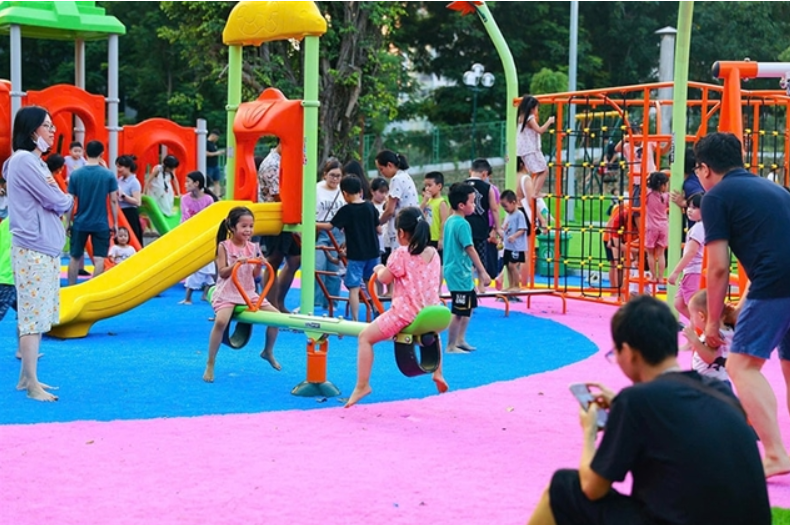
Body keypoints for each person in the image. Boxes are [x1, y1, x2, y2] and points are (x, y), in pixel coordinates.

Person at [527, 295, 771, 525]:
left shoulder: (636, 401)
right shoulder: (721, 393)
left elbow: (592, 488)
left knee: (562, 488)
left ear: (630, 353)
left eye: (615, 353)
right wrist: (625, 406)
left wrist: (590, 431)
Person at [696, 131, 790, 478]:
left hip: (776, 281)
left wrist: (711, 324)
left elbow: (718, 266)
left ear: (704, 169)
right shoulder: (776, 189)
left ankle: (776, 453)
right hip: (778, 279)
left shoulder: (716, 197)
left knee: (741, 366)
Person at [344, 207, 447, 408]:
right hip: (430, 315)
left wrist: (379, 268)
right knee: (434, 334)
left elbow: (384, 279)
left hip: (405, 315)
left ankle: (362, 385)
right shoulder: (433, 253)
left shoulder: (401, 253)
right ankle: (438, 372)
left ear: (401, 233)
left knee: (365, 338)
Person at [4, 106, 74, 401]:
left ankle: (26, 379)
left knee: (37, 315)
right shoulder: (24, 161)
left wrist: (62, 199)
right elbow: (56, 199)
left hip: (40, 248)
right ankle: (32, 383)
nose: (52, 131)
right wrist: (66, 198)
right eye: (47, 126)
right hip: (34, 248)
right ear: (32, 130)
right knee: (33, 318)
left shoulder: (32, 162)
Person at [204, 206, 280, 382]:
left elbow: (255, 276)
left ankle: (268, 351)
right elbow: (222, 272)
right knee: (221, 321)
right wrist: (236, 264)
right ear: (232, 227)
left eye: (251, 226)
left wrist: (260, 265)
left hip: (248, 292)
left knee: (276, 318)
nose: (248, 230)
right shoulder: (224, 246)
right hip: (228, 291)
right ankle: (210, 362)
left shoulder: (254, 247)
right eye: (244, 226)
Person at [317, 176, 380, 321]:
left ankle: (355, 319)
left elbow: (330, 226)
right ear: (361, 191)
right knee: (370, 282)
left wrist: (311, 223)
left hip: (356, 254)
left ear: (344, 193)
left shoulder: (346, 210)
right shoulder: (370, 207)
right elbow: (379, 230)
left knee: (354, 287)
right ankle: (376, 309)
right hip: (373, 252)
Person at [444, 183, 491, 354]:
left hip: (460, 271)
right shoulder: (462, 224)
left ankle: (460, 339)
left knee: (468, 306)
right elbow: (469, 248)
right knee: (458, 310)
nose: (474, 206)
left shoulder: (452, 220)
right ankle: (451, 345)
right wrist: (482, 271)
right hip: (458, 273)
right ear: (461, 205)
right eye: (472, 202)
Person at [257, 138, 300, 313]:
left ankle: (279, 302)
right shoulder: (272, 164)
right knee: (273, 260)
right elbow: (277, 194)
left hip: (286, 215)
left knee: (295, 259)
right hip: (275, 216)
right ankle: (271, 306)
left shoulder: (285, 160)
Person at [67, 140, 118, 285]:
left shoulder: (76, 175)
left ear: (85, 153)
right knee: (99, 258)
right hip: (101, 222)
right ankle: (92, 288)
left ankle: (71, 288)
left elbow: (70, 201)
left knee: (75, 256)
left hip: (80, 221)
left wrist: (67, 222)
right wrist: (115, 223)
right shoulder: (108, 175)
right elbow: (113, 200)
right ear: (102, 154)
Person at [179, 171, 217, 304]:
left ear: (197, 183)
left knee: (206, 265)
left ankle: (203, 294)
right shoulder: (185, 199)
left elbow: (209, 218)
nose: (185, 184)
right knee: (194, 266)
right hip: (191, 235)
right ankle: (190, 296)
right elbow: (185, 217)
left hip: (204, 236)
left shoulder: (208, 200)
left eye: (188, 181)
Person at [375, 150, 419, 261]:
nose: (381, 173)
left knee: (398, 262)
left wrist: (376, 223)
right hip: (411, 227)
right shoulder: (405, 176)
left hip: (400, 229)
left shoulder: (396, 179)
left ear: (389, 165)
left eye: (381, 169)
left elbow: (390, 210)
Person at [464, 158, 500, 291]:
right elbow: (494, 209)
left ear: (470, 171)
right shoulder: (488, 187)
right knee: (480, 255)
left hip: (464, 226)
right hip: (481, 227)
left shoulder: (461, 186)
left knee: (465, 256)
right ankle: (481, 285)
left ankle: (470, 283)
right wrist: (498, 227)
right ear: (485, 174)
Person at [682, 289, 732, 384]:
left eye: (692, 316)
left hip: (710, 384)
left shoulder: (713, 335)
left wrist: (695, 341)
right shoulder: (728, 329)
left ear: (701, 317)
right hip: (720, 381)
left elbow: (710, 358)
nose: (692, 320)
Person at [667, 192, 704, 321]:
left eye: (694, 208)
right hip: (692, 271)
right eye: (689, 207)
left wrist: (676, 272)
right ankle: (699, 327)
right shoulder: (700, 227)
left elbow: (691, 253)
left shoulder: (699, 228)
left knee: (693, 306)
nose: (689, 210)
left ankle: (701, 329)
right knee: (679, 303)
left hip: (694, 271)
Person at [314, 158, 345, 310]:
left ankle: (331, 303)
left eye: (338, 176)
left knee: (334, 271)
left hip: (339, 232)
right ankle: (316, 302)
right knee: (318, 267)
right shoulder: (316, 189)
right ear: (325, 175)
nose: (335, 179)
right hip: (320, 230)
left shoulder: (343, 191)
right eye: (332, 175)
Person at [516, 95, 555, 198]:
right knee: (544, 170)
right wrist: (549, 121)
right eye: (537, 108)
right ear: (532, 108)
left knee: (539, 171)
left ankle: (532, 192)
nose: (537, 110)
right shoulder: (530, 118)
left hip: (524, 150)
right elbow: (540, 130)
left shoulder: (521, 117)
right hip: (531, 149)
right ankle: (535, 193)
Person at [615, 121, 657, 214]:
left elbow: (660, 150)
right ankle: (640, 228)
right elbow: (617, 148)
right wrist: (625, 138)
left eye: (635, 133)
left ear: (640, 132)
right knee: (636, 208)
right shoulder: (627, 147)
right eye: (631, 135)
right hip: (637, 180)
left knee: (652, 206)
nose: (634, 137)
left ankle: (650, 226)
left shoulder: (648, 142)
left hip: (651, 178)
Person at [670, 148, 704, 234]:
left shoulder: (690, 184)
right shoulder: (694, 178)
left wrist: (684, 202)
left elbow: (702, 198)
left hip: (698, 227)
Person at [500, 190, 528, 292]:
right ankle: (511, 285)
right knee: (507, 265)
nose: (505, 209)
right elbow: (505, 228)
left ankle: (517, 285)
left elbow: (522, 229)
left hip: (516, 246)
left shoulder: (519, 214)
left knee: (513, 265)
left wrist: (514, 236)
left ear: (513, 202)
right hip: (508, 246)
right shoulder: (508, 215)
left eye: (506, 206)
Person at [644, 171, 669, 283]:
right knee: (661, 253)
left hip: (651, 227)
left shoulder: (648, 194)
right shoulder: (666, 196)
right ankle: (660, 277)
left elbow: (643, 185)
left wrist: (648, 178)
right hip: (663, 226)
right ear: (662, 185)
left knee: (650, 253)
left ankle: (653, 276)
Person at [116, 154, 143, 245]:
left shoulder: (134, 182)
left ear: (128, 167)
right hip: (120, 212)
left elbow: (137, 201)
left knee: (132, 237)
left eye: (120, 167)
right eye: (118, 167)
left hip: (130, 213)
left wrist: (124, 196)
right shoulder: (120, 180)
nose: (118, 169)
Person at [420, 171, 449, 255]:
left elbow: (444, 221)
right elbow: (419, 213)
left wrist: (441, 238)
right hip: (426, 237)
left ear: (439, 186)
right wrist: (424, 201)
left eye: (429, 185)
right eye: (425, 186)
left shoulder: (441, 202)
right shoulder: (427, 201)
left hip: (435, 238)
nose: (427, 188)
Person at [206, 128, 226, 197]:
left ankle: (218, 196)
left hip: (215, 165)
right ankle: (207, 196)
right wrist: (217, 153)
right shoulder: (206, 143)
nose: (217, 139)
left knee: (217, 181)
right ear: (213, 136)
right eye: (217, 138)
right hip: (208, 166)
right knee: (207, 182)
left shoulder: (213, 144)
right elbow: (205, 153)